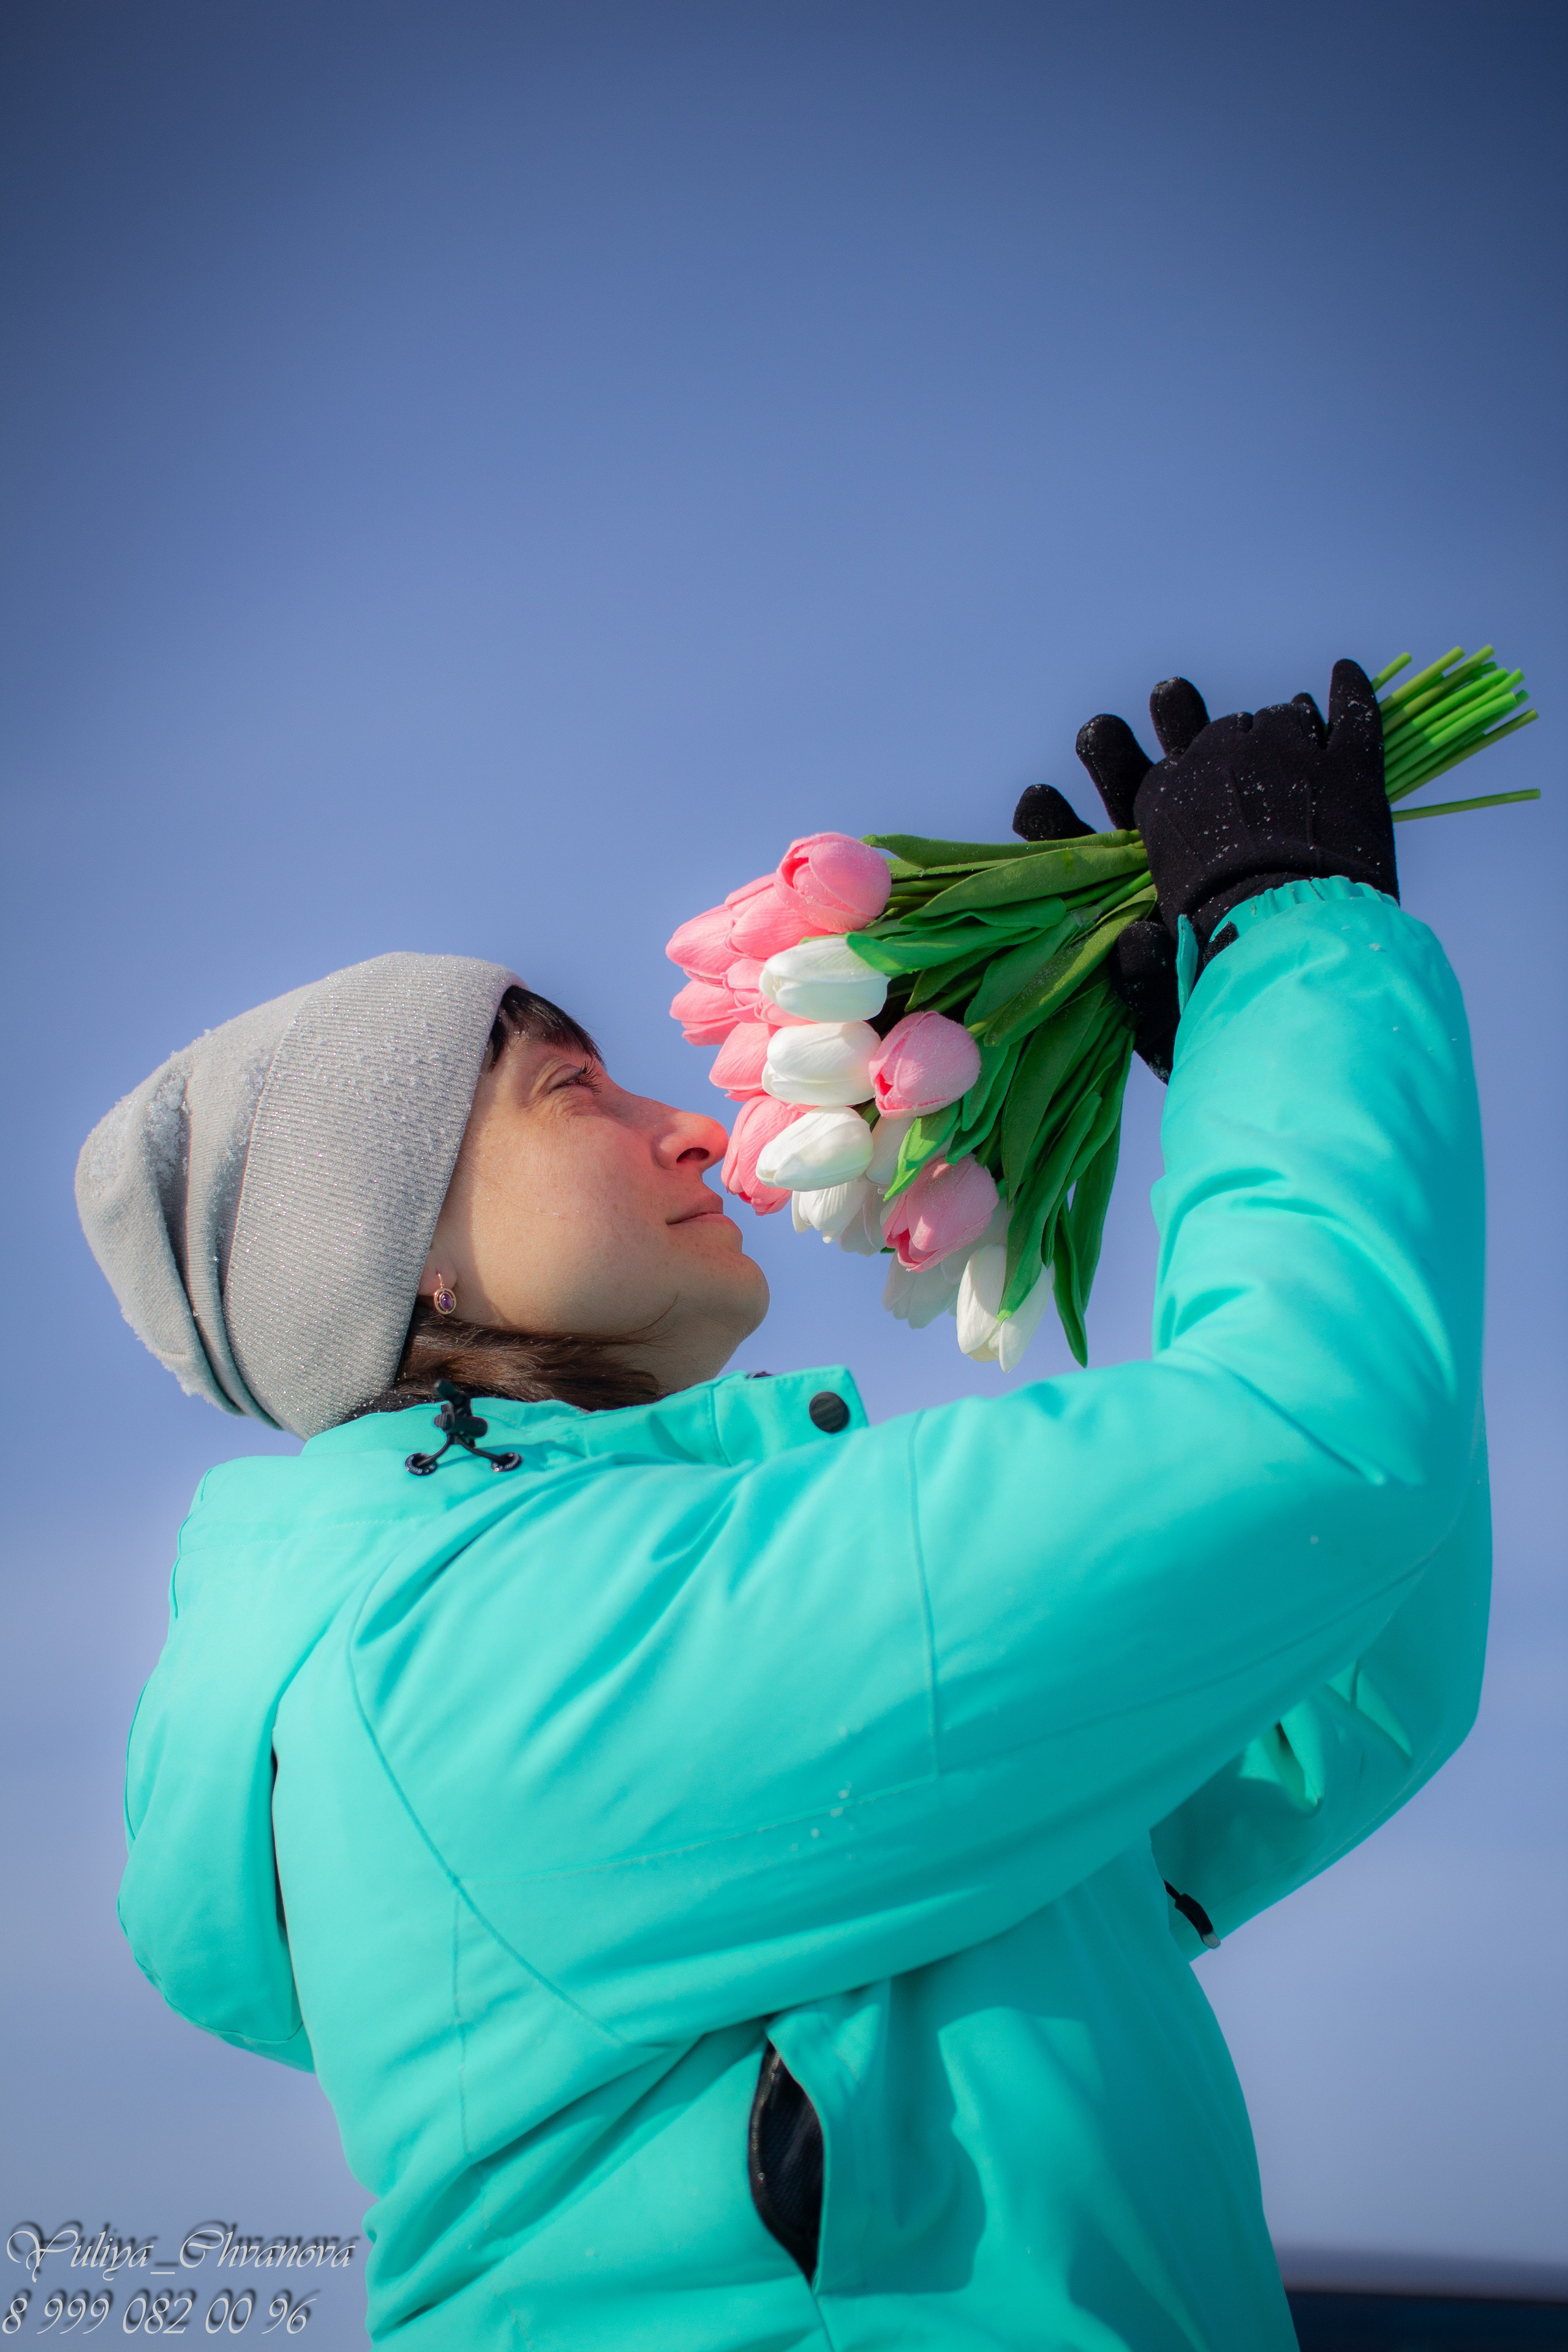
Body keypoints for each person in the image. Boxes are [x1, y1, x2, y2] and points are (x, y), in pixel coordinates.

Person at [77, 662, 1488, 2351]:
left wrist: (1238, 1059)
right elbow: (1305, 1448)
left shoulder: (571, 1620)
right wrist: (1292, 941)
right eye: (576, 1092)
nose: (690, 1128)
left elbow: (1321, 1692)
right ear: (411, 1262)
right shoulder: (472, 1659)